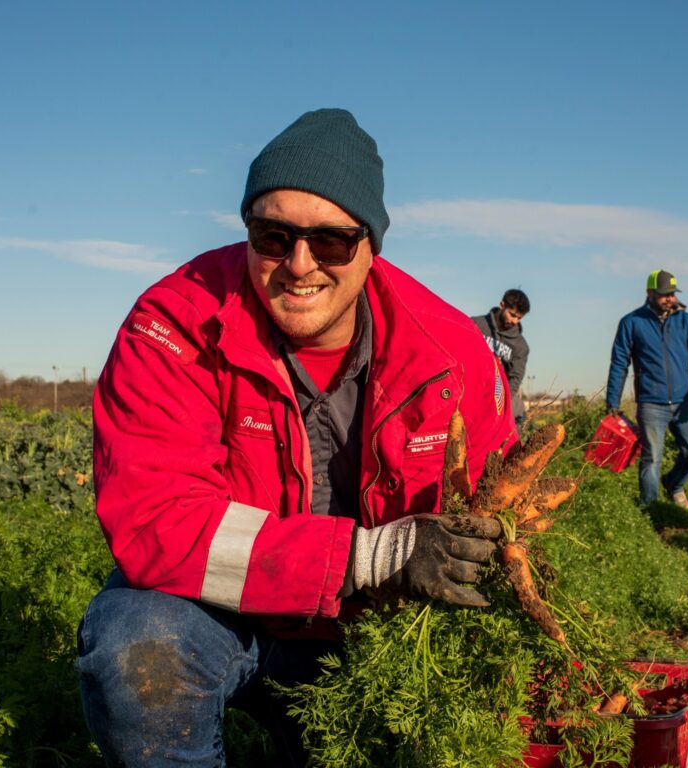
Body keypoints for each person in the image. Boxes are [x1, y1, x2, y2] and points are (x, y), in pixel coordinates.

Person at [76, 109, 518, 767]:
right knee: (138, 646)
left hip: (369, 636)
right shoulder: (174, 324)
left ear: (370, 244)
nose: (298, 264)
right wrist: (368, 556)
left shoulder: (449, 353)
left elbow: (495, 509)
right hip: (224, 618)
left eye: (331, 241)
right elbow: (154, 518)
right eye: (272, 235)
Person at [605, 269, 688, 509]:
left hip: (684, 400)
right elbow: (619, 363)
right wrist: (612, 401)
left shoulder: (686, 321)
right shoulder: (632, 322)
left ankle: (674, 484)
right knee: (652, 457)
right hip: (651, 403)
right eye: (664, 294)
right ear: (650, 293)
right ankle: (652, 511)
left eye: (672, 294)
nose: (670, 298)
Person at [472, 289, 531, 430]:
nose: (514, 321)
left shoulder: (521, 346)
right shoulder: (475, 325)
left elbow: (515, 379)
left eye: (519, 318)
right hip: (474, 395)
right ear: (502, 304)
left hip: (504, 408)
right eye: (512, 315)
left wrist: (497, 404)